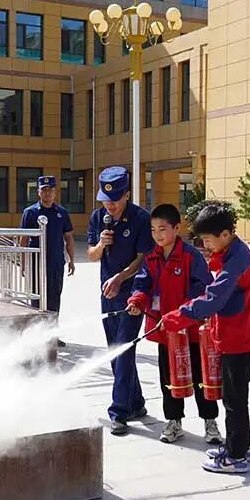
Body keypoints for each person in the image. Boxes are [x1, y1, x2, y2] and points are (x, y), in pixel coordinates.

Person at [161, 205, 250, 474]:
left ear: (225, 234)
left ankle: (236, 457)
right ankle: (237, 446)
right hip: (238, 336)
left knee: (234, 401)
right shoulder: (231, 252)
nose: (205, 246)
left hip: (241, 342)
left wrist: (178, 316)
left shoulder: (237, 260)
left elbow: (213, 299)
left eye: (208, 240)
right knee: (234, 398)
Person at [126, 204, 223, 445]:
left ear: (177, 228)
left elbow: (203, 289)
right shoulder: (151, 258)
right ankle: (174, 422)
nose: (157, 235)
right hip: (165, 332)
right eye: (153, 230)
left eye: (162, 229)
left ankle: (210, 423)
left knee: (201, 378)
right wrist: (137, 301)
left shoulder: (191, 257)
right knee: (168, 379)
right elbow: (142, 285)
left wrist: (184, 314)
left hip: (191, 331)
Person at [87, 166, 154, 436]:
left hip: (133, 294)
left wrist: (120, 278)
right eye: (106, 201)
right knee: (115, 350)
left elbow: (143, 259)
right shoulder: (98, 218)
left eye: (115, 200)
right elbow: (91, 255)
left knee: (124, 349)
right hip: (108, 293)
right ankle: (136, 403)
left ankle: (119, 412)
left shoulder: (141, 219)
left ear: (126, 194)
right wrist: (101, 244)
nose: (110, 206)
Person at [20, 176, 75, 332]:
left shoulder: (61, 213)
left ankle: (52, 334)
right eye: (44, 190)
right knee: (36, 298)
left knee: (54, 299)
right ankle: (36, 333)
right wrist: (23, 263)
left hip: (56, 263)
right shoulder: (30, 212)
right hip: (36, 263)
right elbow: (24, 239)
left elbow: (68, 237)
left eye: (50, 190)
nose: (47, 193)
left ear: (55, 192)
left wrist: (71, 260)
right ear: (38, 192)